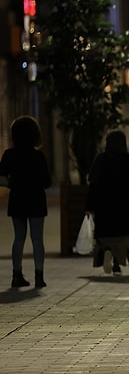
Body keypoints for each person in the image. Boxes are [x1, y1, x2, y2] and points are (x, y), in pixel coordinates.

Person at [0, 116, 52, 288]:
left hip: (17, 199)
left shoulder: (9, 155)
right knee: (37, 239)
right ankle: (39, 276)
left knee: (18, 238)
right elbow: (47, 182)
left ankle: (16, 275)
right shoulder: (38, 156)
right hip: (36, 199)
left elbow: (1, 177)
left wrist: (13, 183)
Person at [86, 130, 129, 274]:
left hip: (103, 205)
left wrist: (89, 206)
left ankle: (107, 251)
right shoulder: (126, 159)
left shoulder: (100, 159)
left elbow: (93, 183)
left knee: (105, 234)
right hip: (122, 204)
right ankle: (117, 262)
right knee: (120, 236)